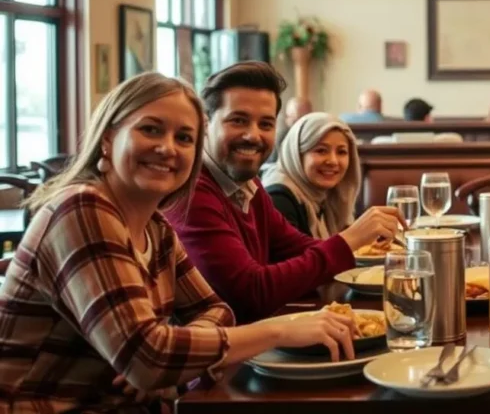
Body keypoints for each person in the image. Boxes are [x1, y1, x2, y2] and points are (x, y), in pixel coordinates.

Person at [0, 73, 358, 412]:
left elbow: (217, 311)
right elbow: (149, 357)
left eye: (184, 138)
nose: (167, 148)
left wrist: (170, 366)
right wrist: (279, 330)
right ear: (107, 139)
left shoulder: (155, 226)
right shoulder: (81, 208)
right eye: (151, 129)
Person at [165, 62, 405, 323]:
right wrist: (350, 240)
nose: (252, 135)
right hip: (225, 356)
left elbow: (298, 247)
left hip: (258, 340)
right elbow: (251, 294)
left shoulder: (248, 185)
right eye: (238, 120)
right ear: (205, 124)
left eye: (265, 124)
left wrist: (377, 253)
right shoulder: (191, 192)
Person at [264, 113, 361, 238]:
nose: (333, 161)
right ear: (297, 155)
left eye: (341, 152)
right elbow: (300, 257)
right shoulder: (279, 200)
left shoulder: (324, 196)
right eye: (321, 150)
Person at [266, 95, 312, 164]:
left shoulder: (316, 137)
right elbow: (269, 166)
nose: (300, 123)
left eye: (304, 117)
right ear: (287, 119)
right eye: (295, 119)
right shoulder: (280, 139)